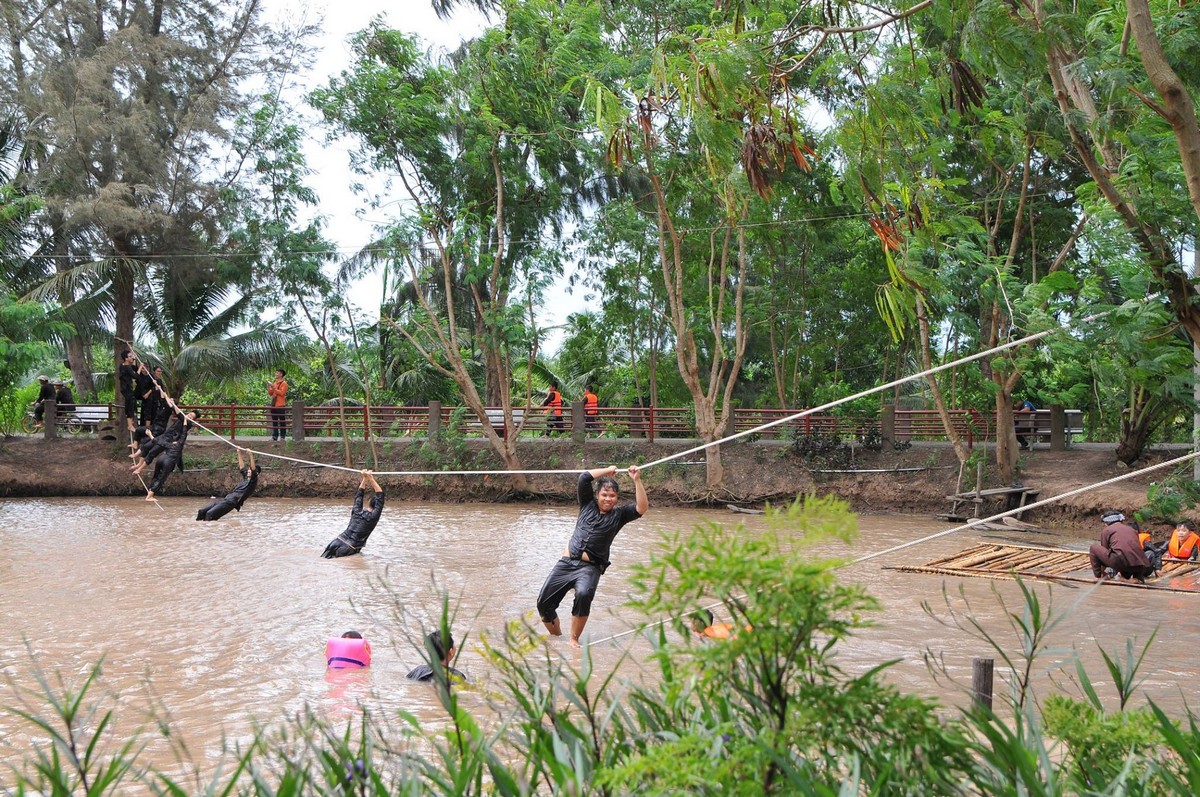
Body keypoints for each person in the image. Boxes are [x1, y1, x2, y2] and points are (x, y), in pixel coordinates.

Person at [536, 465, 648, 647]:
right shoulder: (587, 504)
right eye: (604, 495)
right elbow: (584, 478)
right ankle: (556, 637)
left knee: (583, 593)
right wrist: (608, 470)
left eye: (612, 496)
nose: (608, 499)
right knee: (543, 604)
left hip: (590, 568)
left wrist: (636, 480)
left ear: (616, 498)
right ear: (597, 495)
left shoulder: (619, 515)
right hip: (566, 563)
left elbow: (642, 508)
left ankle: (573, 639)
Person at [321, 471, 385, 558]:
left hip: (336, 542)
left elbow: (359, 495)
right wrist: (370, 478)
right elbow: (380, 496)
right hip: (348, 547)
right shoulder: (373, 517)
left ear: (369, 502)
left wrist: (365, 478)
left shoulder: (357, 511)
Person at [145, 411, 198, 500]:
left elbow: (158, 442)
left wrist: (150, 435)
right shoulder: (180, 443)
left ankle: (150, 489)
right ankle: (150, 495)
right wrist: (185, 422)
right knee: (162, 478)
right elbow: (184, 432)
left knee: (156, 475)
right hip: (168, 461)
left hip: (161, 459)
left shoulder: (170, 444)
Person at [195, 449, 260, 521]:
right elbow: (242, 467)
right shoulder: (246, 477)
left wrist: (250, 455)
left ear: (256, 473)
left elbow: (253, 469)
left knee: (209, 514)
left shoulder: (253, 482)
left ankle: (207, 528)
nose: (248, 471)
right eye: (248, 470)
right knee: (201, 511)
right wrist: (239, 453)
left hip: (232, 502)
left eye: (250, 470)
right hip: (226, 499)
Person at [1089, 511, 1154, 582]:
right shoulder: (1132, 530)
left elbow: (1105, 551)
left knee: (1093, 548)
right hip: (1140, 566)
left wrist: (1103, 573)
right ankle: (1137, 578)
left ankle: (1099, 577)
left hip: (1121, 563)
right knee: (1126, 555)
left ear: (1106, 523)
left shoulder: (1107, 530)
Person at [267, 368, 289, 441]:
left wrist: (274, 387)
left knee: (282, 421)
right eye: (275, 373)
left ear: (281, 374)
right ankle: (275, 436)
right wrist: (269, 387)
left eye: (277, 373)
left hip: (280, 405)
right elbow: (270, 393)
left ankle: (283, 437)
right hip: (274, 405)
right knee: (275, 421)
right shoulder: (275, 383)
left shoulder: (284, 383)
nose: (275, 374)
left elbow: (282, 393)